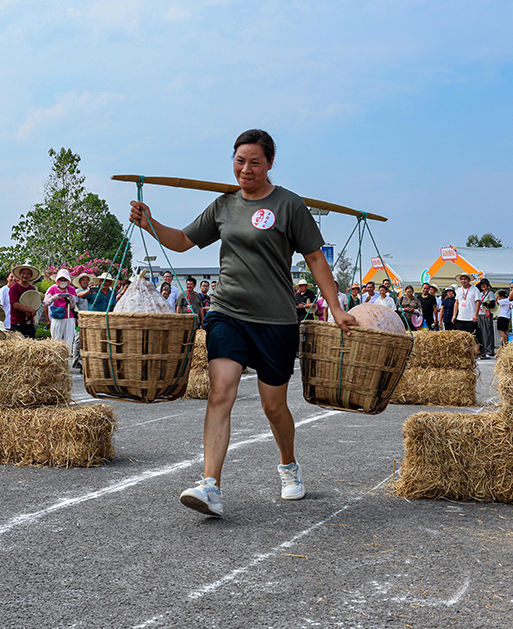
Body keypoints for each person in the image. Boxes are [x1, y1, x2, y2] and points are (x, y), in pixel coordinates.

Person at [129, 129, 356, 517]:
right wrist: (150, 223)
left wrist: (335, 307)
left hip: (276, 319)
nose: (245, 169)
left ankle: (289, 466)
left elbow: (316, 259)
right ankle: (210, 486)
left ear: (269, 164)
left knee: (273, 406)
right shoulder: (224, 205)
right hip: (226, 312)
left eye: (254, 162)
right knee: (220, 392)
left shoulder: (289, 205)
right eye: (239, 161)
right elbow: (183, 241)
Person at [45, 269, 78, 369]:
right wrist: (54, 297)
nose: (63, 281)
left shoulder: (71, 289)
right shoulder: (53, 289)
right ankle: (55, 365)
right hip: (57, 317)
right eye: (61, 279)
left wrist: (71, 299)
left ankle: (65, 365)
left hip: (69, 317)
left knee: (68, 341)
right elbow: (46, 303)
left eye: (65, 279)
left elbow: (73, 306)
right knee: (56, 340)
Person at [9, 263, 41, 338]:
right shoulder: (14, 287)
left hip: (29, 323)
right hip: (17, 322)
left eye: (28, 274)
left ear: (31, 276)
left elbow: (36, 303)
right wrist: (30, 310)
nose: (25, 275)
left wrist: (31, 312)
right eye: (23, 273)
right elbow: (15, 305)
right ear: (19, 274)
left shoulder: (32, 288)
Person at [452, 274, 480, 346]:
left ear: (469, 280)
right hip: (460, 317)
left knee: (473, 337)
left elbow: (478, 302)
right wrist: (454, 315)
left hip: (470, 318)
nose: (463, 281)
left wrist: (476, 314)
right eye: (462, 279)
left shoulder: (474, 289)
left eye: (465, 279)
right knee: (460, 338)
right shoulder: (459, 290)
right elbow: (456, 302)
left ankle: (475, 352)